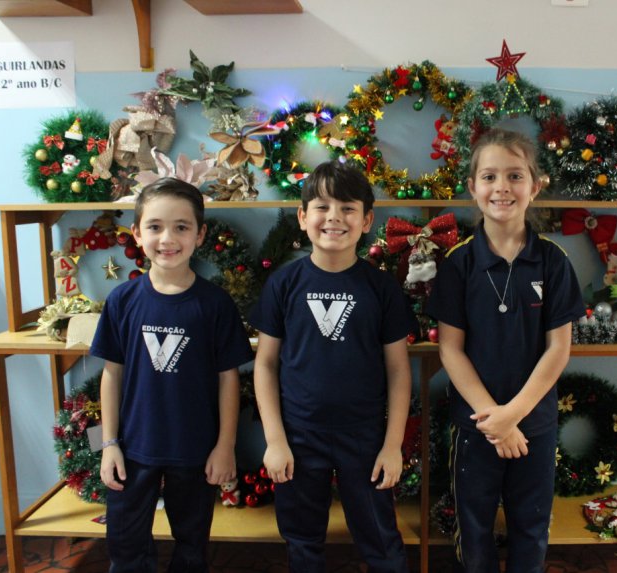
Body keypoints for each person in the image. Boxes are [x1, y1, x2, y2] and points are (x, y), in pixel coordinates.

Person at [427, 129, 585, 573]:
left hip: (534, 425)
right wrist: (493, 420)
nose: (502, 187)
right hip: (475, 426)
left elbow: (558, 350)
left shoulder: (553, 261)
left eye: (515, 176)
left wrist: (513, 415)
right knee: (473, 527)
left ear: (535, 186)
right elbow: (451, 351)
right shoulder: (459, 263)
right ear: (473, 187)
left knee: (531, 528)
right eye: (489, 176)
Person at [251, 160, 412, 573]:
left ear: (367, 220)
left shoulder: (381, 288)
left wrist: (392, 446)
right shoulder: (283, 284)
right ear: (303, 217)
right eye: (322, 207)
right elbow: (265, 365)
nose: (334, 218)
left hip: (365, 437)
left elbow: (398, 370)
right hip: (298, 436)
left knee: (381, 540)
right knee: (302, 541)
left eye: (347, 208)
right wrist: (275, 440)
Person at [91, 177, 254, 573]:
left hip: (195, 450)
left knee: (192, 547)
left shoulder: (215, 304)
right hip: (132, 449)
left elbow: (228, 379)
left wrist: (225, 446)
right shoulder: (122, 301)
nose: (167, 238)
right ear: (137, 233)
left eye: (181, 227)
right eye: (155, 226)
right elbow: (111, 375)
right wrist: (108, 443)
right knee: (125, 546)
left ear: (199, 235)